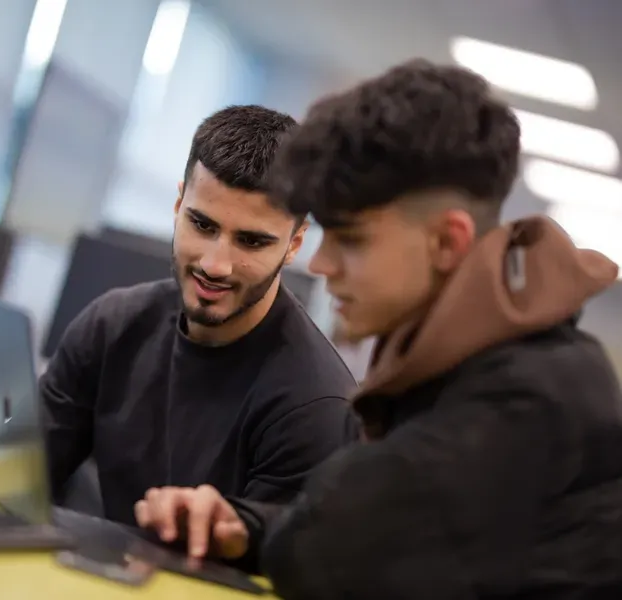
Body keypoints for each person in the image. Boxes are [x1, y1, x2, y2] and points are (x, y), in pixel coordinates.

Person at [133, 61, 622, 597]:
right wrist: (243, 528)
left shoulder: (527, 400)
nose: (320, 264)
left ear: (446, 242)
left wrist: (269, 532)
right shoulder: (474, 363)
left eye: (352, 239)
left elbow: (328, 553)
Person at [0, 104, 359, 531]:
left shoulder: (316, 407)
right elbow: (2, 482)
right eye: (202, 225)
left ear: (294, 244)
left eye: (250, 241)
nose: (215, 264)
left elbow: (266, 577)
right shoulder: (112, 325)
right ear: (178, 205)